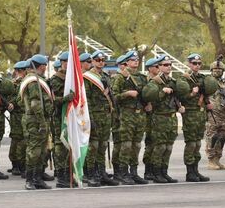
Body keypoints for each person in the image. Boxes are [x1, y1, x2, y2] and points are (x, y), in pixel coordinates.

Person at [142, 54, 185, 183]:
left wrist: (179, 107)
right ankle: (155, 173)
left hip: (171, 117)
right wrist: (162, 92)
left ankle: (164, 172)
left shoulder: (173, 82)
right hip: (159, 118)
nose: (168, 67)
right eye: (165, 65)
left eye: (169, 65)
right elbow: (149, 99)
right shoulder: (154, 82)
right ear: (159, 67)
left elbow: (177, 97)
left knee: (168, 147)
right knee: (159, 147)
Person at [111, 50, 149, 185]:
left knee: (137, 145)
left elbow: (146, 94)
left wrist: (148, 103)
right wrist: (127, 93)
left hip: (140, 114)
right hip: (127, 114)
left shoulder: (142, 77)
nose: (136, 62)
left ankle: (134, 172)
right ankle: (122, 173)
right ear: (126, 62)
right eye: (133, 60)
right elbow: (114, 97)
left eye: (137, 60)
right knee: (126, 145)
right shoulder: (120, 77)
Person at [82, 51, 119, 187]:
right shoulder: (87, 77)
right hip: (94, 115)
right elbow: (86, 100)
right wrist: (90, 118)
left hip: (106, 116)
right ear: (92, 61)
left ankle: (101, 173)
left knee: (103, 146)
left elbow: (111, 96)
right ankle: (91, 174)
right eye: (97, 60)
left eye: (103, 60)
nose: (101, 62)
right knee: (93, 147)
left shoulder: (105, 76)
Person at [176, 53, 214, 182]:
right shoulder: (183, 79)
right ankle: (189, 172)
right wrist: (192, 93)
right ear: (189, 64)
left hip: (201, 114)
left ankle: (196, 170)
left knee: (198, 143)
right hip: (190, 114)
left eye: (199, 63)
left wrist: (208, 103)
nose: (197, 66)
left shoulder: (202, 78)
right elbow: (180, 97)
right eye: (194, 63)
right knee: (191, 143)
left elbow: (206, 93)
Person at [20, 54, 54, 190]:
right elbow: (35, 104)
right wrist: (41, 122)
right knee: (34, 151)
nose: (45, 68)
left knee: (42, 151)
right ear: (41, 66)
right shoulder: (33, 81)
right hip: (35, 120)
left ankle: (38, 178)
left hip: (40, 119)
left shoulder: (37, 79)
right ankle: (30, 179)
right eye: (45, 65)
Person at [48, 52, 74, 188]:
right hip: (60, 117)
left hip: (72, 116)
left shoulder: (75, 78)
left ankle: (70, 174)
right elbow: (54, 100)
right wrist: (67, 98)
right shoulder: (55, 79)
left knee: (71, 146)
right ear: (63, 63)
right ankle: (62, 175)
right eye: (67, 62)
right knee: (60, 146)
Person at [205, 58, 225, 170]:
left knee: (222, 136)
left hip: (224, 113)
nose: (217, 71)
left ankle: (217, 159)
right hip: (213, 113)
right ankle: (211, 159)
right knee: (212, 136)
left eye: (220, 69)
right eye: (215, 69)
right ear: (211, 70)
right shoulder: (208, 81)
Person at [142, 56, 161, 181]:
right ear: (150, 68)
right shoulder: (146, 80)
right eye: (157, 66)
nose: (159, 68)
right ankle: (148, 170)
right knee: (150, 143)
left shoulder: (159, 80)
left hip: (158, 114)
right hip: (149, 115)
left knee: (157, 143)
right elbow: (143, 95)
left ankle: (155, 169)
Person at [8, 60, 28, 177]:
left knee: (19, 139)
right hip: (18, 114)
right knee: (18, 139)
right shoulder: (16, 84)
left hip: (21, 114)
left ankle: (18, 164)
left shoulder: (20, 82)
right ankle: (17, 164)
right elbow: (12, 99)